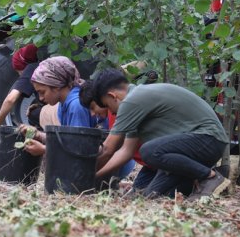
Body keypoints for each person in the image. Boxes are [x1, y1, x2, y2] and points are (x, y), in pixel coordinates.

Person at [91, 69, 230, 200]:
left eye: (108, 106)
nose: (112, 113)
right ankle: (194, 181)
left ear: (112, 96)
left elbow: (108, 149)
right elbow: (126, 151)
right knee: (147, 195)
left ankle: (210, 177)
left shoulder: (131, 101)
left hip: (209, 139)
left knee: (149, 151)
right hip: (194, 147)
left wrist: (86, 175)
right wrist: (97, 176)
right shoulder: (135, 103)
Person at [19, 56, 105, 156]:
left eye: (42, 92)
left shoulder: (76, 105)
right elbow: (67, 141)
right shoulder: (64, 103)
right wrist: (38, 135)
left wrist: (44, 150)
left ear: (56, 86)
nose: (41, 98)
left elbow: (79, 148)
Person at [0, 44, 41, 128]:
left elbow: (10, 99)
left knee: (33, 115)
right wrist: (40, 105)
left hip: (56, 113)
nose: (19, 75)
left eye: (18, 71)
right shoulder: (44, 66)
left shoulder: (31, 69)